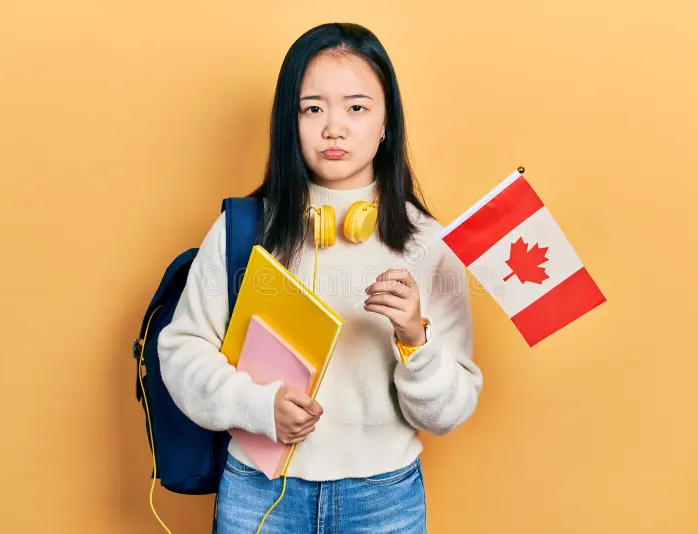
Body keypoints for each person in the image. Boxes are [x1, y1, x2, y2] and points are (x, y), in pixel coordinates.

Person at [158, 22, 483, 533]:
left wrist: (414, 340)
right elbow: (180, 353)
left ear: (386, 124)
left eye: (357, 107)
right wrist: (257, 406)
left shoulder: (429, 243)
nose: (335, 127)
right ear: (290, 122)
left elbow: (447, 413)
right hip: (258, 492)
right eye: (313, 108)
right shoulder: (245, 229)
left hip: (384, 500)